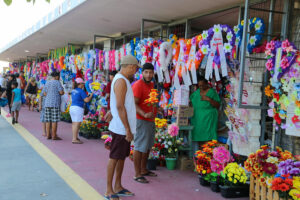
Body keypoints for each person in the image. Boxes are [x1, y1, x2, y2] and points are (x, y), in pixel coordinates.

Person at [105, 55, 139, 200]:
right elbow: (120, 106)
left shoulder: (122, 80)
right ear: (131, 66)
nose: (136, 71)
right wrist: (127, 129)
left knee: (121, 158)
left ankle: (118, 186)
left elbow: (117, 104)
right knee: (114, 158)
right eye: (136, 68)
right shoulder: (121, 81)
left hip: (122, 127)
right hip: (121, 128)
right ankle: (109, 190)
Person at [132, 63, 157, 184]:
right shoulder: (138, 85)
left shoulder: (152, 84)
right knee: (139, 146)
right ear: (142, 73)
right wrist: (144, 114)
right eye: (146, 72)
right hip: (141, 120)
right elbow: (134, 103)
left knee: (147, 146)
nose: (148, 75)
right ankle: (137, 174)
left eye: (150, 72)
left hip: (150, 120)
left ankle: (143, 170)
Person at [190, 75, 220, 148]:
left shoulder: (212, 92)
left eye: (203, 85)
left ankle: (208, 153)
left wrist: (209, 99)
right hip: (197, 119)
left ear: (207, 84)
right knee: (199, 136)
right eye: (199, 86)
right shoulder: (196, 93)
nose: (201, 87)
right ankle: (201, 156)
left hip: (208, 119)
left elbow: (218, 105)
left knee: (208, 137)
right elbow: (190, 102)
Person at [69, 78, 93, 144]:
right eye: (83, 83)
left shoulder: (73, 90)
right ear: (80, 84)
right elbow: (87, 100)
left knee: (74, 123)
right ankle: (74, 139)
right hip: (78, 108)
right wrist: (91, 95)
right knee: (77, 124)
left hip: (72, 107)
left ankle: (75, 137)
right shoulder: (81, 91)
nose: (84, 85)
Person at [43, 71, 64, 140]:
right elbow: (61, 92)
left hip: (47, 103)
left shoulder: (47, 82)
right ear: (57, 76)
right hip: (55, 103)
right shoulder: (57, 82)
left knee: (48, 120)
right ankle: (54, 136)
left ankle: (48, 135)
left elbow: (44, 93)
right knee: (54, 120)